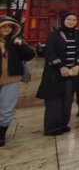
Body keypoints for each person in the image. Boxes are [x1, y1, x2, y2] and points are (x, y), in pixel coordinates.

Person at [37, 12, 79, 136]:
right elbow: (50, 52)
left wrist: (78, 65)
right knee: (55, 100)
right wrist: (60, 66)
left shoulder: (77, 34)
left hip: (72, 72)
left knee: (67, 99)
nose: (71, 22)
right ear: (63, 20)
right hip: (55, 73)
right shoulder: (54, 35)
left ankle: (63, 123)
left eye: (74, 19)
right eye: (69, 19)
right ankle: (52, 127)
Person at [0, 16, 35, 147]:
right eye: (3, 26)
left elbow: (30, 55)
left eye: (9, 27)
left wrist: (21, 45)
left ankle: (1, 134)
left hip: (11, 79)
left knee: (6, 108)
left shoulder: (16, 42)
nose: (7, 29)